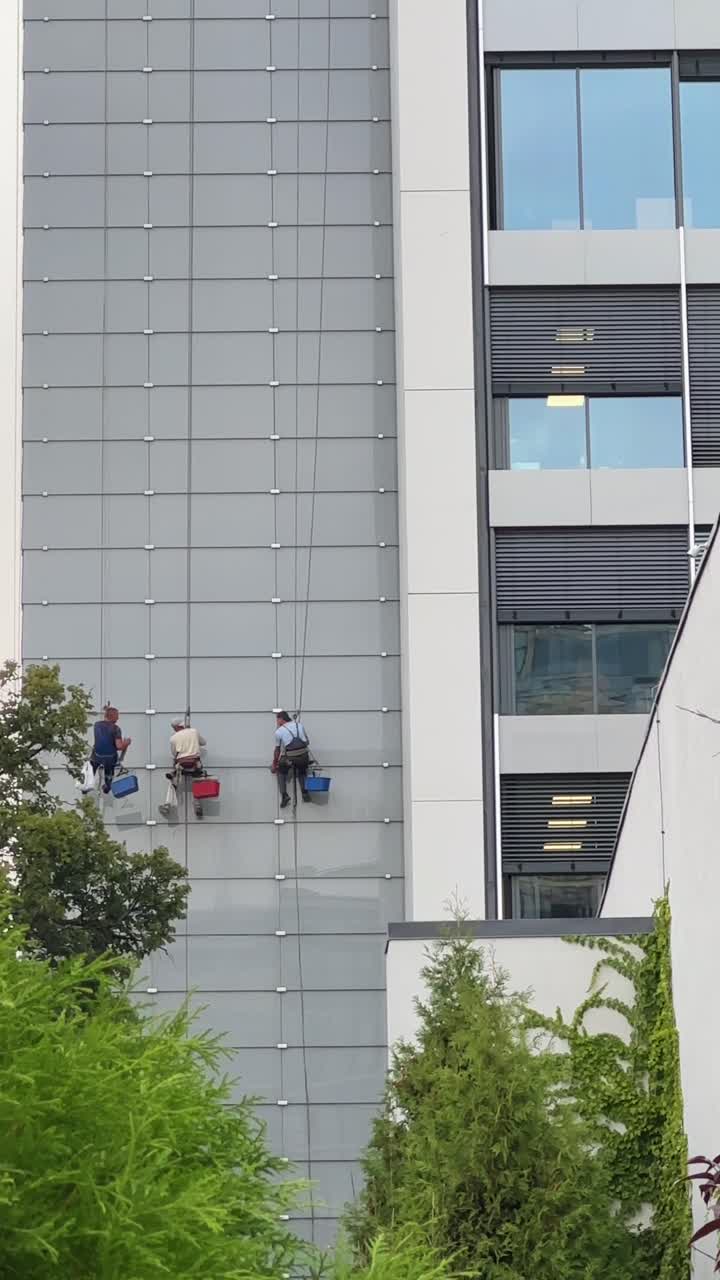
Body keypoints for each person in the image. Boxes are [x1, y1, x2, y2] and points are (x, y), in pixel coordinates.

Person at [271, 711, 310, 808]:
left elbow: (277, 750)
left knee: (280, 770)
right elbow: (307, 742)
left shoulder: (279, 731)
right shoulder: (299, 725)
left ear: (281, 719)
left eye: (277, 720)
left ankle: (284, 796)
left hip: (291, 758)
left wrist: (275, 763)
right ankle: (304, 792)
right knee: (302, 769)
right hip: (304, 757)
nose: (277, 722)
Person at [91, 706, 131, 794]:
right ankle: (107, 786)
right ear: (114, 717)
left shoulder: (97, 725)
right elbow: (119, 746)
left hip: (97, 755)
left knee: (91, 768)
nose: (118, 718)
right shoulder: (116, 729)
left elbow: (106, 719)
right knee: (109, 771)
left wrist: (107, 710)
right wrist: (127, 743)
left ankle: (86, 784)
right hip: (109, 757)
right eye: (117, 716)